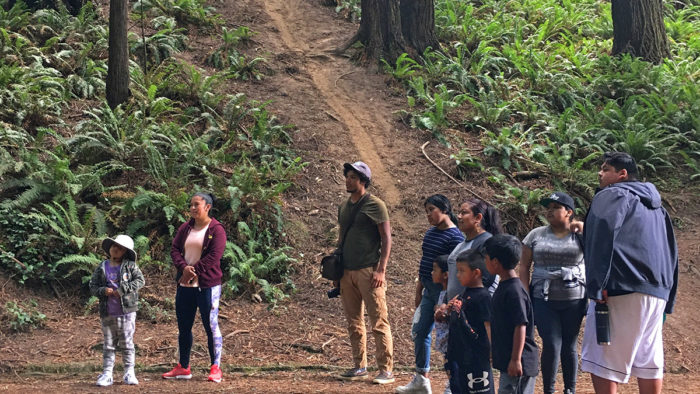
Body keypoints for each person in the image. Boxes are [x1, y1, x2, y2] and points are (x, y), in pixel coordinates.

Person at [580, 152, 678, 394]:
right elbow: (671, 250)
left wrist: (596, 282)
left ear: (622, 174)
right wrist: (668, 297)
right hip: (656, 292)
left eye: (605, 169)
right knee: (648, 363)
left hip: (619, 288)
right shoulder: (658, 209)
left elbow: (601, 233)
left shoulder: (612, 194)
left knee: (603, 362)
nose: (600, 174)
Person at [519, 192, 586, 394]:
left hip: (575, 299)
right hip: (543, 299)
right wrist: (524, 294)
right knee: (551, 344)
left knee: (570, 346)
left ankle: (569, 389)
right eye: (548, 207)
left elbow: (598, 252)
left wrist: (585, 228)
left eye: (556, 207)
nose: (550, 211)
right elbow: (524, 266)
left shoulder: (581, 234)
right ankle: (549, 390)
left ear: (569, 212)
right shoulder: (535, 235)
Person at [397, 195, 464, 394]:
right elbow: (424, 263)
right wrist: (419, 290)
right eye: (426, 210)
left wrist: (445, 298)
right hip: (428, 289)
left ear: (444, 209)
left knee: (450, 338)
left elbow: (455, 270)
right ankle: (421, 378)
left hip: (445, 292)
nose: (428, 215)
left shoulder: (456, 237)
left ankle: (453, 382)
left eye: (431, 209)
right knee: (419, 330)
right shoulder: (430, 233)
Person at [336, 161, 395, 385]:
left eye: (352, 177)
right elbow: (342, 235)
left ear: (363, 181)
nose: (348, 180)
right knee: (353, 321)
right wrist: (337, 266)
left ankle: (386, 369)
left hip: (368, 271)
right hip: (347, 271)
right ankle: (359, 365)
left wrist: (381, 270)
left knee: (378, 321)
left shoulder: (375, 205)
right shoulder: (343, 206)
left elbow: (386, 237)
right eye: (347, 176)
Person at [163, 192, 227, 383]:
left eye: (196, 205)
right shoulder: (185, 228)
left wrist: (194, 271)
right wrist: (183, 269)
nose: (192, 208)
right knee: (184, 327)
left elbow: (214, 256)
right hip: (185, 285)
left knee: (211, 326)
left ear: (207, 207)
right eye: (190, 205)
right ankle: (183, 367)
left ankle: (215, 367)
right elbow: (174, 249)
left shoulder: (216, 229)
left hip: (207, 285)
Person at [484, 234, 539, 394]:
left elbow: (521, 325)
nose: (484, 262)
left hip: (519, 362)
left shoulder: (514, 291)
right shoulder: (505, 286)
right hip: (509, 360)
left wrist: (516, 360)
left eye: (486, 258)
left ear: (495, 262)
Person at [89, 234, 145, 387]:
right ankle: (107, 373)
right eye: (114, 246)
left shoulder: (130, 267)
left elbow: (140, 281)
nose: (115, 249)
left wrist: (123, 289)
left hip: (126, 312)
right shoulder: (102, 266)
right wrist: (102, 291)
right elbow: (92, 286)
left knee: (127, 343)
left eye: (120, 248)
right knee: (108, 344)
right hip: (107, 312)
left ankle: (129, 372)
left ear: (125, 252)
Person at [445, 249, 494, 394]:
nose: (457, 275)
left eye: (462, 271)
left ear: (476, 273)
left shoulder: (483, 297)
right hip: (460, 356)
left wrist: (491, 351)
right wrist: (447, 311)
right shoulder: (464, 294)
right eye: (457, 270)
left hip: (476, 358)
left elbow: (488, 325)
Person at [446, 198, 503, 300]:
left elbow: (487, 278)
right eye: (458, 213)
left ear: (478, 217)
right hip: (457, 307)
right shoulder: (462, 244)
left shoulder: (486, 241)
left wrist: (461, 300)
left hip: (475, 306)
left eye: (464, 213)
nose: (458, 216)